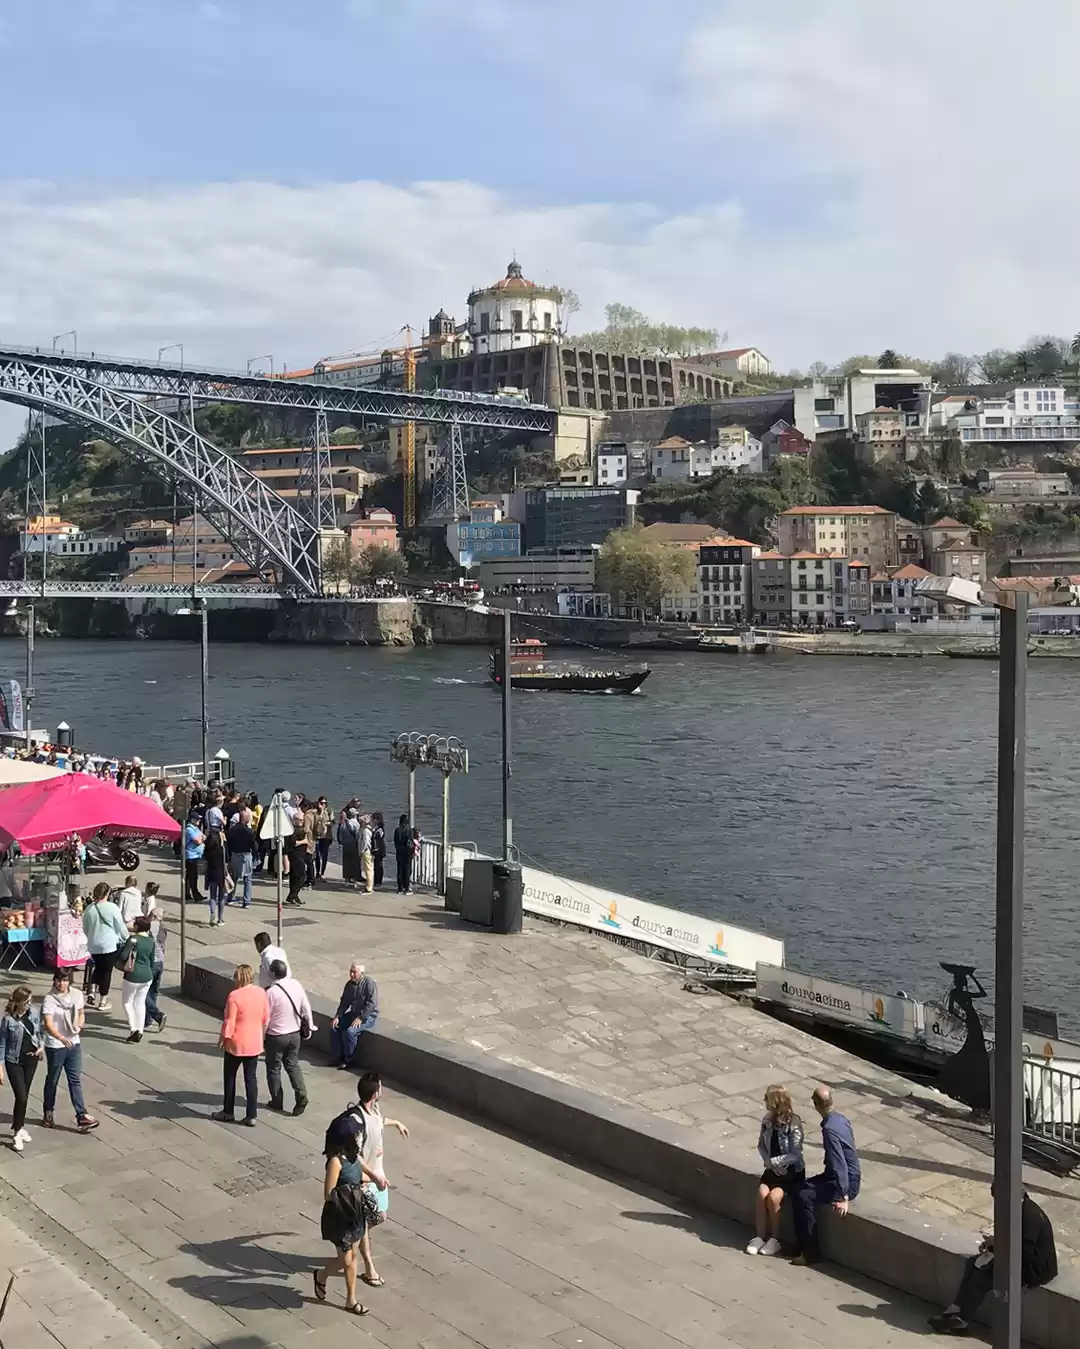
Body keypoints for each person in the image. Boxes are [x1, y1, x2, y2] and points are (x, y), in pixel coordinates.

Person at [929, 1187, 1057, 1335]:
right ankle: (956, 1308)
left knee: (982, 1278)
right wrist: (993, 1243)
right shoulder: (1018, 1209)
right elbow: (1012, 1238)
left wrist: (998, 1251)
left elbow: (1024, 1252)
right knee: (972, 1263)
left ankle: (961, 1321)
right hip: (1021, 1259)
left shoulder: (1029, 1216)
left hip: (1034, 1269)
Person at [315, 1124, 387, 1315]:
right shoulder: (335, 1162)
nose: (360, 1138)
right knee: (346, 1260)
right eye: (356, 1135)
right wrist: (353, 1191)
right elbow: (328, 1194)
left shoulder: (355, 1156)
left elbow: (359, 1173)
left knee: (350, 1258)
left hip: (355, 1214)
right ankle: (324, 1278)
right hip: (340, 1216)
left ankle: (348, 1298)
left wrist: (373, 1179)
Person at [792, 1085, 861, 1266]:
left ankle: (811, 1252)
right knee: (799, 1187)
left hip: (844, 1182)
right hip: (838, 1176)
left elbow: (839, 1164)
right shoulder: (840, 1119)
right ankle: (800, 1243)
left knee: (803, 1196)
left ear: (815, 1105)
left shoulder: (829, 1130)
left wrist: (843, 1195)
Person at [356, 1072, 408, 1287]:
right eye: (380, 1087)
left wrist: (396, 1123)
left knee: (379, 1217)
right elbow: (353, 1154)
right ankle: (369, 1268)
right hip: (366, 1181)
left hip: (380, 1178)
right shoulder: (358, 1120)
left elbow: (379, 1121)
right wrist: (372, 1175)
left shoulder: (374, 1110)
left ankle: (353, 1238)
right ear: (375, 1093)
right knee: (368, 1222)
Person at [746, 1084, 805, 1256]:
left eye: (767, 1098)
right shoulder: (766, 1120)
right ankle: (760, 1236)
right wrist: (769, 1163)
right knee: (761, 1193)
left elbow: (796, 1154)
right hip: (773, 1169)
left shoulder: (794, 1123)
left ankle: (775, 1239)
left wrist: (775, 1162)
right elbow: (761, 1145)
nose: (764, 1101)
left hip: (790, 1171)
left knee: (774, 1198)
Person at [41, 969, 99, 1132]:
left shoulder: (77, 995)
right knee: (53, 1079)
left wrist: (79, 1026)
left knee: (75, 1080)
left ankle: (81, 1115)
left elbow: (81, 1013)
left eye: (65, 980)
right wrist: (61, 1038)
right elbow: (48, 1024)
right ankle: (48, 1112)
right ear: (54, 981)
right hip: (56, 1045)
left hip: (73, 1043)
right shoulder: (49, 999)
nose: (61, 983)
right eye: (59, 980)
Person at [212, 964, 269, 1127]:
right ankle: (251, 1115)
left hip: (236, 1043)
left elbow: (229, 1021)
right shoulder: (261, 993)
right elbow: (266, 1017)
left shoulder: (234, 996)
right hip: (254, 1042)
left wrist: (222, 1039)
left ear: (239, 978)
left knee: (230, 1076)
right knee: (251, 1078)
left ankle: (228, 1111)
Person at [264, 959, 314, 1116]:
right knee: (292, 1065)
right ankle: (301, 1096)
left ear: (272, 973)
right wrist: (309, 1027)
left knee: (273, 1068)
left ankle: (277, 1101)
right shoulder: (296, 985)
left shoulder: (271, 993)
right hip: (294, 1035)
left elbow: (265, 1018)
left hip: (276, 1036)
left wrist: (261, 1036)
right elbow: (305, 1007)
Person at [0, 985, 44, 1152]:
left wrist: (41, 1046)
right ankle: (17, 1132)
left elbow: (39, 1031)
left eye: (30, 1001)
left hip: (31, 1059)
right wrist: (0, 1067)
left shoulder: (33, 1013)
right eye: (26, 1002)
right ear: (18, 1002)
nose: (29, 1005)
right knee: (22, 1096)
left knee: (24, 1096)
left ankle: (20, 1126)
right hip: (14, 1061)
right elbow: (2, 1044)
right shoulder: (8, 1020)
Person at [82, 881, 128, 1013]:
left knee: (99, 967)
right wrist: (126, 937)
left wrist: (91, 937)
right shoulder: (112, 908)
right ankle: (103, 1000)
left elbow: (85, 928)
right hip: (109, 945)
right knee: (106, 972)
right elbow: (120, 926)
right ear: (107, 894)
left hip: (94, 944)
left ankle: (91, 991)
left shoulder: (89, 909)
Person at [330, 961, 379, 1069]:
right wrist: (338, 1016)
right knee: (335, 1027)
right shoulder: (349, 985)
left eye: (354, 972)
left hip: (368, 1017)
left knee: (350, 1032)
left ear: (361, 973)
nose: (351, 975)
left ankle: (349, 1059)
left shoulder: (369, 984)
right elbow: (344, 1003)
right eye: (350, 972)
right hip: (354, 1013)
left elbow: (372, 1004)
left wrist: (361, 1018)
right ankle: (337, 1057)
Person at [120, 915, 157, 1044]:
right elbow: (152, 960)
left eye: (134, 924)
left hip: (132, 975)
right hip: (147, 976)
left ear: (137, 927)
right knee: (140, 1003)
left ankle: (133, 1029)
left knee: (127, 1002)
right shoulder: (151, 941)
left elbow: (124, 955)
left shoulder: (133, 939)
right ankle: (140, 1031)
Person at [142, 891, 168, 1034]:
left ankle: (157, 1015)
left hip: (151, 963)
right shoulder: (163, 929)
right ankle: (148, 1019)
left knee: (142, 992)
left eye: (151, 915)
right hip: (160, 964)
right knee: (153, 992)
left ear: (155, 918)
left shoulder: (153, 926)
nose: (149, 917)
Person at [204, 796, 228, 925]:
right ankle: (220, 918)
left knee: (212, 895)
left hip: (210, 870)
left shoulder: (207, 811)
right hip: (220, 873)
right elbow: (223, 823)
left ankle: (212, 914)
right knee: (221, 896)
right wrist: (224, 819)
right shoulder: (221, 848)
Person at [226, 808, 257, 909]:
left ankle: (230, 897)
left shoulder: (232, 830)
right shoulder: (248, 831)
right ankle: (246, 901)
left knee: (234, 878)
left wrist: (229, 857)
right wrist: (256, 857)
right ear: (247, 819)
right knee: (247, 879)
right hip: (246, 855)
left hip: (235, 855)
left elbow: (228, 844)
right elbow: (253, 845)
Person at [183, 810, 205, 904]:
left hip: (195, 855)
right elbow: (198, 841)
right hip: (190, 856)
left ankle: (187, 894)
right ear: (192, 819)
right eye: (197, 819)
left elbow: (204, 836)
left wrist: (202, 838)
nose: (199, 821)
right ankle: (196, 895)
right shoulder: (189, 829)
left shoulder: (195, 828)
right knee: (193, 876)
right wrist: (201, 838)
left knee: (189, 876)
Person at [338, 808, 362, 888]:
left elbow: (340, 835)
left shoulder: (343, 823)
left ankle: (346, 880)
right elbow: (358, 836)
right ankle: (355, 881)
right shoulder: (357, 824)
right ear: (355, 814)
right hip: (354, 845)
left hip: (346, 845)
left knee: (346, 863)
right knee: (354, 863)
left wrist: (341, 842)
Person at [314, 796, 334, 879]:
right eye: (322, 803)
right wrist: (321, 812)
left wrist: (326, 823)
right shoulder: (315, 811)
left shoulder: (329, 811)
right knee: (317, 855)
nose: (323, 804)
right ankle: (317, 872)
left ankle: (322, 872)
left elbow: (332, 822)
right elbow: (315, 821)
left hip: (326, 836)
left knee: (324, 855)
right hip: (317, 836)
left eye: (325, 803)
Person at [393, 815, 413, 895]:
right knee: (407, 870)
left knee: (400, 870)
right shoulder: (409, 830)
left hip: (399, 852)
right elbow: (411, 842)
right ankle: (407, 888)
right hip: (407, 852)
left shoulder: (397, 830)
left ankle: (400, 888)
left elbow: (395, 841)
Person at [359, 817, 374, 894]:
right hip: (370, 851)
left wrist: (362, 851)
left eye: (361, 822)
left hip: (366, 852)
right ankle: (370, 885)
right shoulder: (371, 829)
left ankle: (368, 888)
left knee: (368, 870)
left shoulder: (365, 831)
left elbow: (365, 842)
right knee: (370, 869)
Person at [370, 813, 386, 890]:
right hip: (377, 850)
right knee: (376, 866)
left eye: (373, 819)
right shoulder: (376, 828)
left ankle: (378, 881)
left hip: (379, 850)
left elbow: (378, 839)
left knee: (378, 866)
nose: (372, 820)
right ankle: (376, 881)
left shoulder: (380, 829)